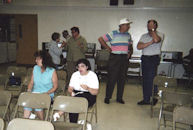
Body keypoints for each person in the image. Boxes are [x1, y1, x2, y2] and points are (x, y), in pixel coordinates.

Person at [98, 18, 133, 104]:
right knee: (112, 78)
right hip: (115, 58)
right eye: (127, 25)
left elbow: (130, 45)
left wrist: (130, 52)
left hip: (124, 58)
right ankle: (107, 97)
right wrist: (108, 48)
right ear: (122, 25)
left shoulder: (128, 35)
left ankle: (119, 98)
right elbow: (100, 39)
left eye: (129, 25)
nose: (128, 27)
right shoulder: (113, 33)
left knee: (122, 78)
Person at [53, 58, 99, 123]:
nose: (80, 68)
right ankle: (73, 124)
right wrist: (71, 92)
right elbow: (70, 88)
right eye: (78, 66)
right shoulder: (75, 74)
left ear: (87, 67)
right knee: (74, 103)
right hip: (76, 94)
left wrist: (88, 88)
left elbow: (95, 92)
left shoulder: (92, 75)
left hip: (89, 95)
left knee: (74, 102)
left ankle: (61, 112)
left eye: (82, 66)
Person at [24, 50, 58, 120]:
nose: (36, 61)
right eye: (36, 59)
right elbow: (31, 82)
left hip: (47, 94)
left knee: (37, 103)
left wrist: (46, 93)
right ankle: (25, 120)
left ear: (44, 60)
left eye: (38, 59)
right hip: (35, 93)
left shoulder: (52, 71)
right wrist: (29, 90)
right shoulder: (35, 68)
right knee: (27, 102)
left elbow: (55, 87)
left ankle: (42, 121)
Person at [137, 19, 164, 105]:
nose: (149, 27)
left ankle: (154, 97)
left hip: (153, 58)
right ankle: (146, 99)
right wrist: (150, 42)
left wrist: (153, 32)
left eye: (152, 25)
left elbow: (156, 40)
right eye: (148, 25)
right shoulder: (144, 36)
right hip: (145, 58)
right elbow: (139, 46)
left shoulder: (160, 34)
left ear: (156, 26)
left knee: (152, 79)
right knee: (145, 79)